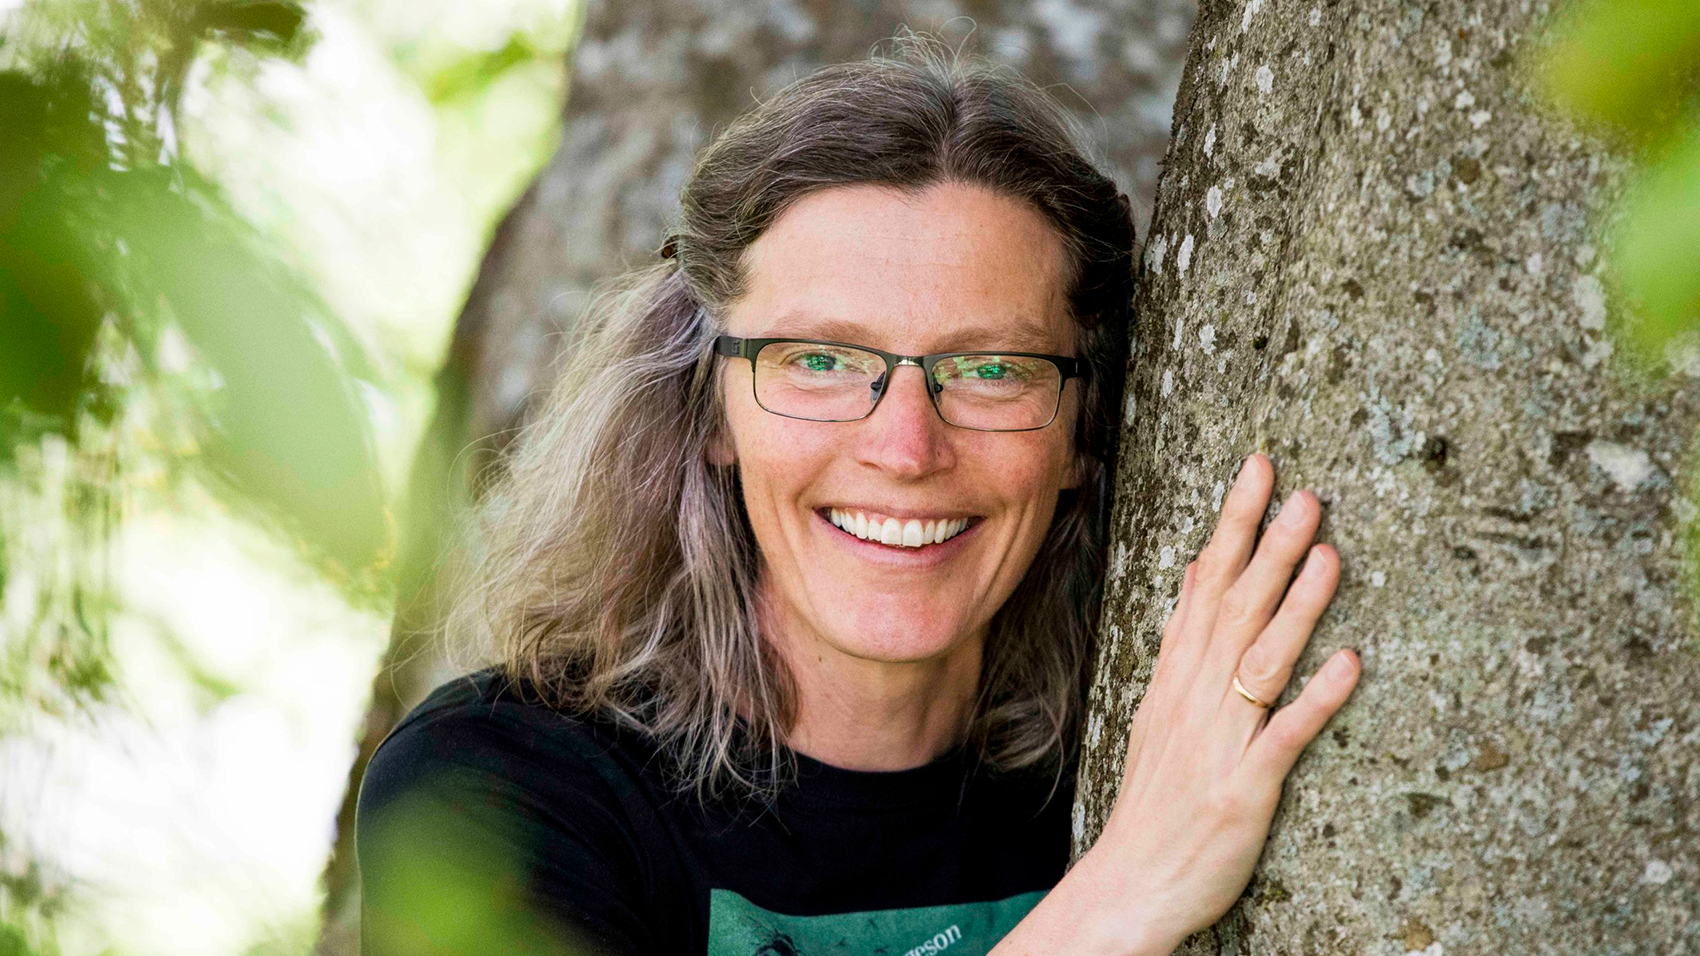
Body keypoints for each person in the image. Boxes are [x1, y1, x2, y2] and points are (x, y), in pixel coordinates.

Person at [354, 35, 1361, 956]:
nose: (904, 446)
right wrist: (1124, 893)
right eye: (821, 359)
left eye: (992, 370)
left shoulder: (1142, 755)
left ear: (1082, 436)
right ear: (710, 410)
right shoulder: (498, 786)